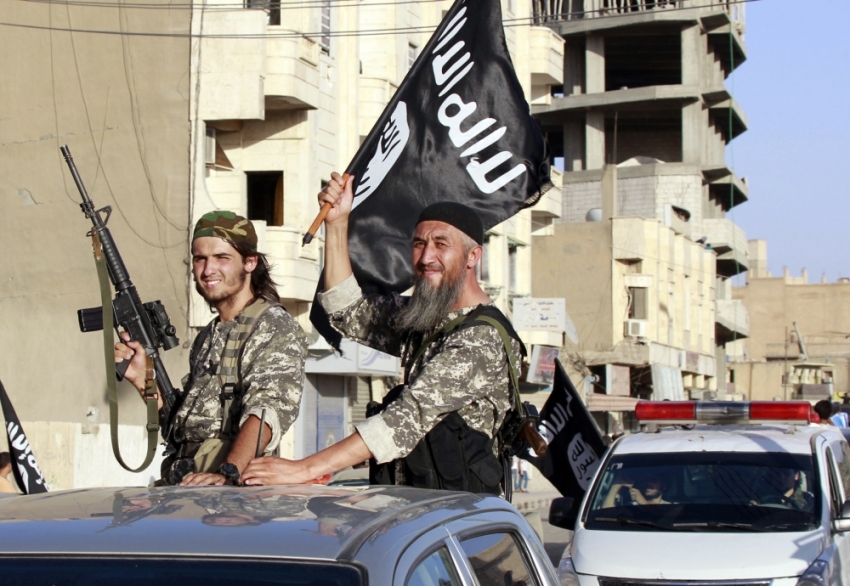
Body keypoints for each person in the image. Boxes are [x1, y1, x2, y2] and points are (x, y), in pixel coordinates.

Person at [243, 173, 524, 493]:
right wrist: (336, 224)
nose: (426, 257)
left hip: (461, 522)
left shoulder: (481, 339)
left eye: (441, 244)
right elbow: (347, 312)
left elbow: (405, 419)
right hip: (417, 510)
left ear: (473, 256)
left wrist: (304, 469)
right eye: (419, 244)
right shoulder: (431, 318)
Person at [115, 211, 307, 486]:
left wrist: (228, 474)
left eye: (222, 258)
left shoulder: (272, 326)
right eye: (200, 259)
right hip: (187, 489)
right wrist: (143, 380)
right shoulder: (208, 335)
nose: (207, 270)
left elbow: (267, 412)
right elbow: (183, 429)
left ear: (250, 262)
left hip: (232, 503)